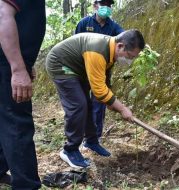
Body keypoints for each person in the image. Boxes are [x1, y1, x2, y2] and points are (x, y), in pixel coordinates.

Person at [45, 29, 145, 168]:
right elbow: (99, 91)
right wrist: (122, 108)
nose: (130, 61)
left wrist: (111, 101)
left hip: (79, 68)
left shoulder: (110, 51)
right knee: (78, 105)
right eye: (130, 56)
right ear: (120, 46)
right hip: (61, 64)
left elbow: (104, 79)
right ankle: (70, 150)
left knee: (88, 104)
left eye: (133, 57)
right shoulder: (97, 50)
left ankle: (91, 141)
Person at [0, 0, 46, 189]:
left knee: (4, 119)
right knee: (17, 122)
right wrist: (18, 68)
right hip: (5, 65)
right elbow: (2, 14)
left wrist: (26, 62)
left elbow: (23, 23)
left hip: (8, 61)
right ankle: (26, 185)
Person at [75, 0, 124, 155]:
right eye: (103, 4)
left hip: (103, 72)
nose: (106, 7)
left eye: (109, 5)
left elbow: (125, 38)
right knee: (83, 104)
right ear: (95, 5)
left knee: (100, 103)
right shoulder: (84, 23)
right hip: (83, 71)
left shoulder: (113, 27)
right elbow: (75, 43)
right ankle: (83, 138)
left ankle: (95, 138)